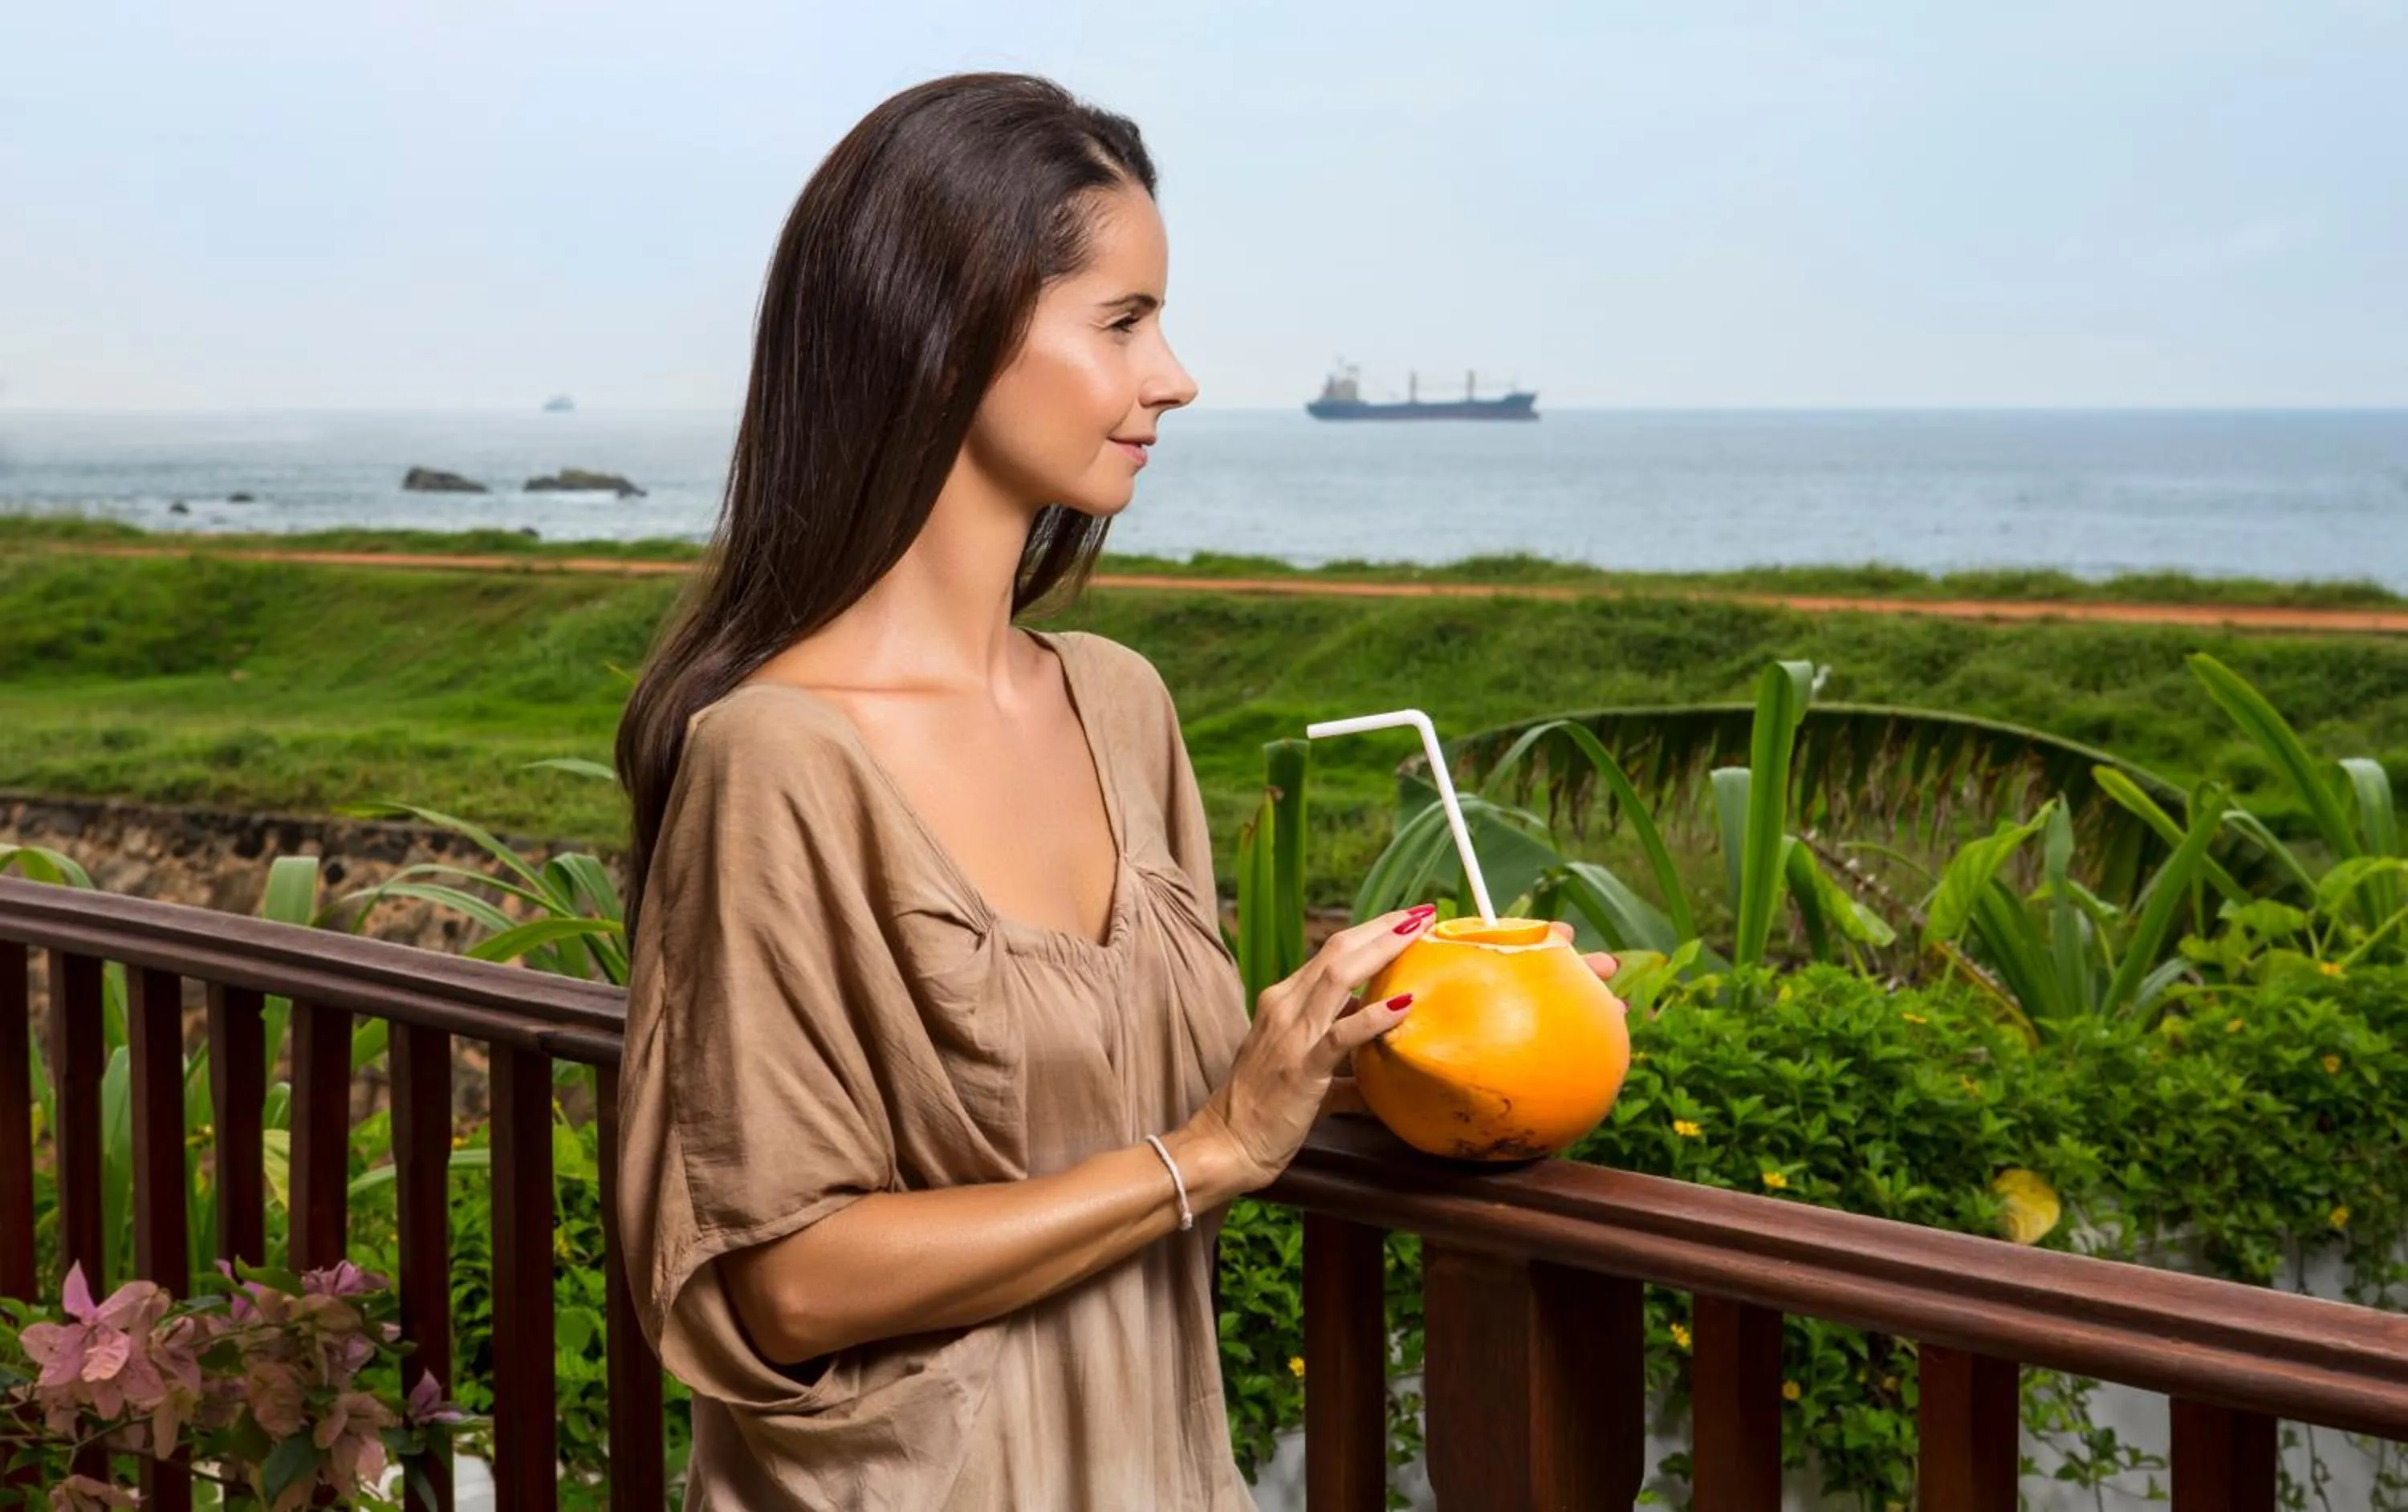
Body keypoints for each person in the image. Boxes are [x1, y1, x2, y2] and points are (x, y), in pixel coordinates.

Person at [611, 71, 1617, 1510]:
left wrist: (1455, 1032)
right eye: (1125, 321)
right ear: (946, 333)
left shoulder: (1119, 706)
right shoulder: (776, 757)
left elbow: (1149, 1095)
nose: (1177, 376)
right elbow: (784, 1284)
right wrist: (1209, 1154)